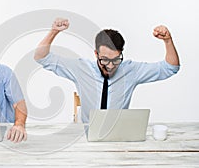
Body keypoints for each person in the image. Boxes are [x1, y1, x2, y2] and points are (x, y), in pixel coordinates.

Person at [34, 18, 180, 123]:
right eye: (104, 60)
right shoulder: (81, 68)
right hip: (87, 134)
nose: (110, 66)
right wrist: (53, 32)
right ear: (96, 54)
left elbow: (171, 67)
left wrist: (168, 41)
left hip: (118, 135)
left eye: (116, 60)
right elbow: (41, 57)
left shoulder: (131, 70)